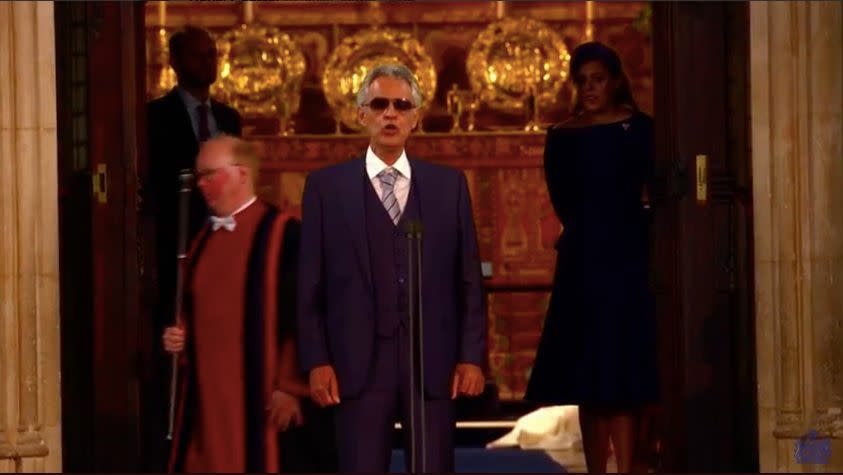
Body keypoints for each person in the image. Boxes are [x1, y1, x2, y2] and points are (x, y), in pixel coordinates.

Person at [296, 63, 487, 472]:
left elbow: (468, 279)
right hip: (355, 364)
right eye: (379, 104)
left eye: (402, 105)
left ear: (415, 117)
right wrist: (317, 360)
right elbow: (309, 284)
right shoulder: (325, 188)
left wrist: (471, 356)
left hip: (432, 361)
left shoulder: (448, 186)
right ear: (360, 114)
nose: (390, 113)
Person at [525, 41, 659, 473]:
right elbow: (562, 198)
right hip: (583, 262)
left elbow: (652, 189)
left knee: (621, 374)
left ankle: (627, 467)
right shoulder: (562, 136)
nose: (590, 88)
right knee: (589, 376)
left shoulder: (640, 129)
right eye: (582, 81)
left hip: (629, 259)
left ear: (615, 79)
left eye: (597, 79)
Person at [162, 135, 305, 472]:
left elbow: (303, 314)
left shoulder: (283, 234)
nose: (202, 184)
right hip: (207, 397)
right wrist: (181, 335)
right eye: (199, 177)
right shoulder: (201, 239)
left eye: (211, 174)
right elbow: (198, 308)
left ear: (242, 174)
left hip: (261, 398)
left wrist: (290, 386)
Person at [142, 26, 242, 470]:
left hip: (225, 245)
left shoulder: (230, 118)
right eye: (201, 56)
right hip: (176, 245)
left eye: (214, 54)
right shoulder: (154, 116)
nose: (210, 63)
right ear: (177, 63)